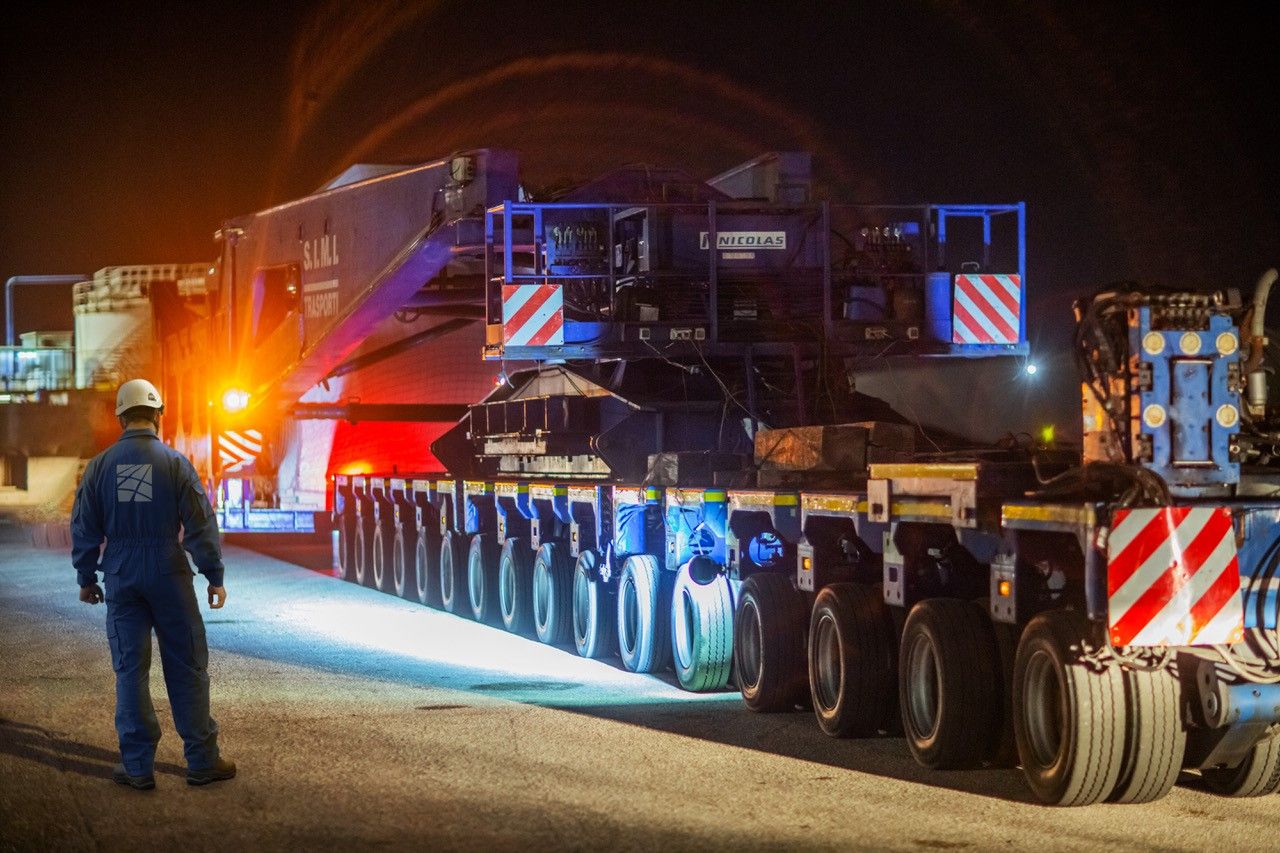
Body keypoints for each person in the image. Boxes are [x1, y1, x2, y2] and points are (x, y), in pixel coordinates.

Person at [70, 378, 236, 790]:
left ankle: (138, 766)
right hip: (167, 571)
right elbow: (200, 521)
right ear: (158, 415)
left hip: (123, 573)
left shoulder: (100, 466)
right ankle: (201, 760)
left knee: (130, 670)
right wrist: (213, 574)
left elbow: (84, 525)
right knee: (187, 665)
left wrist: (86, 577)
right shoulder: (174, 463)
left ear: (121, 417)